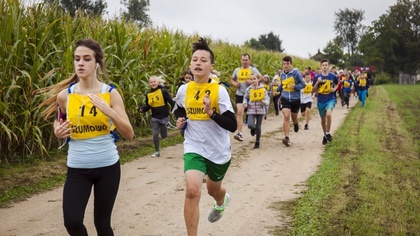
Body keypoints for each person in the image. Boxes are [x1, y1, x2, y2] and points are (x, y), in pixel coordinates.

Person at [39, 38, 134, 235]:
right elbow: (59, 120)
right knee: (72, 222)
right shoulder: (65, 96)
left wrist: (110, 112)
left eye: (86, 59)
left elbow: (129, 134)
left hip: (107, 167)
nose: (80, 63)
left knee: (102, 224)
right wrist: (57, 129)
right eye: (77, 59)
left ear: (97, 63)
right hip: (78, 167)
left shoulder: (110, 93)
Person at [174, 37, 237, 236]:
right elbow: (179, 110)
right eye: (195, 59)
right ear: (190, 64)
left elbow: (232, 125)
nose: (198, 63)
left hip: (218, 151)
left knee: (213, 190)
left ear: (211, 66)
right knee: (192, 190)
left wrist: (211, 113)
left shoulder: (219, 91)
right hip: (194, 146)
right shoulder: (184, 90)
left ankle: (222, 200)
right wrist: (181, 120)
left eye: (203, 60)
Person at [138, 76, 175, 157]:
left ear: (158, 83)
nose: (153, 83)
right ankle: (157, 151)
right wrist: (142, 109)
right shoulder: (148, 94)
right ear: (149, 84)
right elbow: (148, 106)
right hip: (155, 118)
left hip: (164, 117)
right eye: (151, 82)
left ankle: (166, 128)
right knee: (155, 134)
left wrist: (175, 110)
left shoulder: (163, 91)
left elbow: (171, 101)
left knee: (164, 135)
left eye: (154, 81)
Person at [230, 53, 262, 141]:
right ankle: (240, 133)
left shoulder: (253, 70)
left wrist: (252, 81)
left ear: (249, 60)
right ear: (241, 60)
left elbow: (261, 78)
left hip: (251, 95)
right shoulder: (237, 70)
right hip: (240, 93)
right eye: (243, 60)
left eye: (246, 60)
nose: (244, 62)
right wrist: (235, 83)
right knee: (240, 113)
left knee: (251, 113)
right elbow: (232, 79)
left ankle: (253, 127)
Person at [275, 56, 306, 146]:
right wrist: (277, 90)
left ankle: (296, 124)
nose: (286, 66)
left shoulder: (296, 74)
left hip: (295, 99)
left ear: (291, 64)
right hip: (285, 98)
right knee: (286, 116)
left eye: (288, 64)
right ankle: (287, 138)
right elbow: (282, 85)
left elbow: (303, 84)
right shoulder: (282, 75)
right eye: (284, 64)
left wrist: (295, 87)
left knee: (294, 118)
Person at [312, 59, 338, 145]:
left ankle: (327, 132)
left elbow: (337, 83)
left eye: (326, 65)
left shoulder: (333, 76)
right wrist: (317, 83)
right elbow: (313, 90)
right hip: (321, 100)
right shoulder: (317, 77)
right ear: (320, 67)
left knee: (328, 114)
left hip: (330, 98)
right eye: (323, 65)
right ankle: (325, 135)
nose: (324, 67)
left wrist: (334, 89)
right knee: (323, 120)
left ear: (328, 66)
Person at [243, 74, 270, 149]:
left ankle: (257, 141)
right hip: (251, 109)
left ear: (258, 79)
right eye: (251, 79)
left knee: (258, 126)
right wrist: (245, 103)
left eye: (254, 79)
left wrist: (265, 102)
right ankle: (253, 128)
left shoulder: (263, 89)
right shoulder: (249, 89)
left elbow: (267, 99)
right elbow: (245, 97)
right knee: (250, 125)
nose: (253, 81)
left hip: (260, 110)